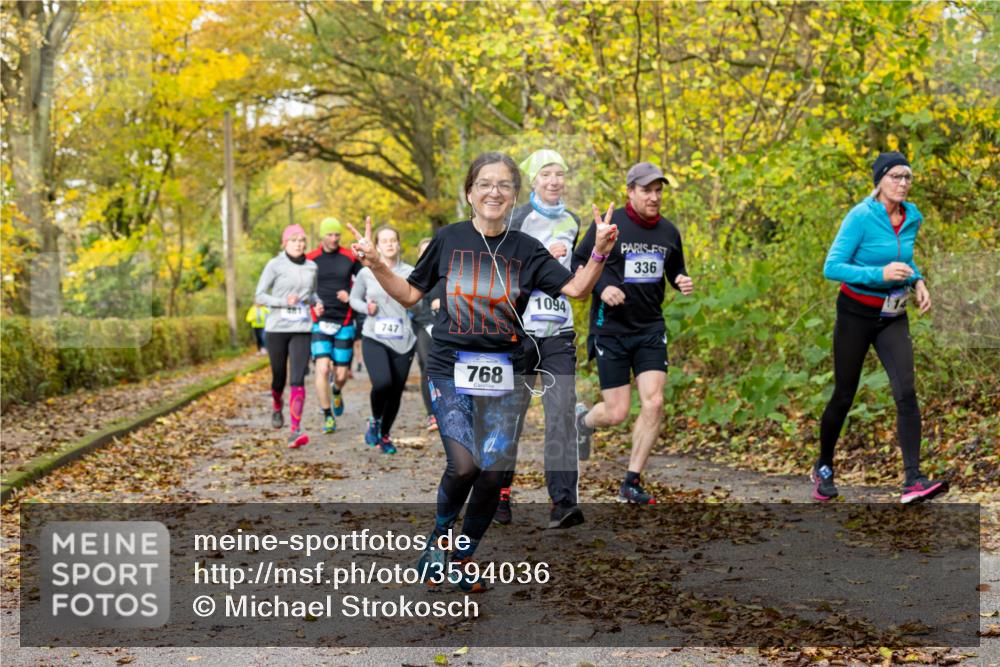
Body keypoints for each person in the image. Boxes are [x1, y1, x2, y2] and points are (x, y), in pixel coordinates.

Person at [346, 151, 618, 592]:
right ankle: (438, 541)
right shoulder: (448, 239)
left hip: (508, 372)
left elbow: (576, 289)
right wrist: (377, 263)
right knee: (465, 464)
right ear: (470, 193)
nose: (494, 192)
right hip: (451, 368)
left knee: (493, 471)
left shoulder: (526, 249)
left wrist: (600, 254)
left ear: (514, 196)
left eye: (504, 185)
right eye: (485, 184)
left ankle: (462, 554)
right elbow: (412, 294)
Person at [817, 151, 947, 504]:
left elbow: (905, 258)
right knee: (844, 394)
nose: (903, 183)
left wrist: (918, 281)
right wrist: (879, 275)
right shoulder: (860, 217)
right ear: (879, 181)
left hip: (892, 316)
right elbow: (832, 267)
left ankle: (913, 481)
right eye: (896, 177)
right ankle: (824, 465)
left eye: (908, 177)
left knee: (906, 391)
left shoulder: (911, 217)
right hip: (855, 314)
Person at [572, 162, 694, 505]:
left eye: (658, 191)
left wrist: (681, 280)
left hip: (650, 328)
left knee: (654, 401)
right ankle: (583, 420)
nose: (654, 197)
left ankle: (631, 480)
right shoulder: (611, 228)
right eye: (646, 190)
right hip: (610, 328)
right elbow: (578, 265)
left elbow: (675, 268)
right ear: (630, 192)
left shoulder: (669, 231)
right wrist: (604, 287)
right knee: (617, 412)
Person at [494, 149, 584, 529]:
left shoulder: (574, 221)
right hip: (519, 330)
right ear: (533, 181)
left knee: (562, 413)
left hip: (559, 330)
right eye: (546, 174)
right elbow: (499, 270)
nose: (553, 181)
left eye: (559, 174)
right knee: (510, 415)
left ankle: (562, 501)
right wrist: (541, 258)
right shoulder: (516, 219)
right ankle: (498, 493)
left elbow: (578, 274)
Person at [254, 224, 323, 448]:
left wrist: (318, 303)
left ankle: (295, 430)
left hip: (302, 327)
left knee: (297, 378)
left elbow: (312, 294)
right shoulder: (275, 265)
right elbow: (260, 295)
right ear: (285, 243)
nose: (298, 244)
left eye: (301, 240)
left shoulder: (312, 266)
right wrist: (283, 302)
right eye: (293, 240)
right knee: (278, 377)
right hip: (277, 328)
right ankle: (277, 404)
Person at [349, 226, 416, 454]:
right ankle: (375, 420)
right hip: (374, 335)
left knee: (396, 392)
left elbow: (419, 301)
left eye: (393, 240)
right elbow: (353, 299)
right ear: (376, 246)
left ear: (398, 244)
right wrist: (366, 307)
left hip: (403, 340)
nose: (389, 244)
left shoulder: (410, 271)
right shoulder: (366, 273)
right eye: (384, 241)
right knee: (382, 383)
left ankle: (385, 434)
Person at [307, 217, 361, 434]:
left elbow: (366, 280)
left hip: (345, 321)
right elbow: (304, 288)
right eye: (329, 234)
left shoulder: (349, 256)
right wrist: (313, 303)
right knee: (321, 368)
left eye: (337, 234)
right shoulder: (310, 259)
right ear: (322, 235)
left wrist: (351, 295)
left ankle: (336, 391)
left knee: (339, 375)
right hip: (320, 321)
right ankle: (327, 415)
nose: (334, 238)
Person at [410, 238, 443, 432]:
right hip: (423, 326)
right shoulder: (414, 275)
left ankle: (449, 409)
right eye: (424, 251)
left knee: (447, 368)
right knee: (427, 367)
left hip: (445, 327)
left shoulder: (447, 273)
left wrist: (443, 302)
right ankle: (432, 414)